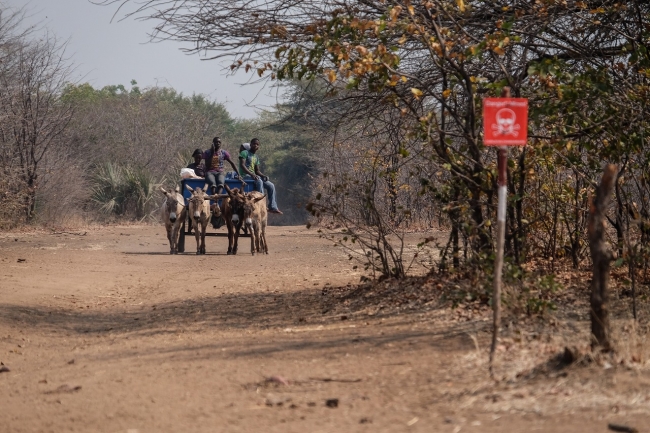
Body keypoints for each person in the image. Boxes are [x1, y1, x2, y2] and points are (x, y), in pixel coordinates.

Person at [239, 138, 282, 214]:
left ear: (258, 146)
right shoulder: (244, 153)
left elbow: (257, 171)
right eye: (254, 144)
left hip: (254, 176)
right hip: (245, 176)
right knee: (259, 181)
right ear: (250, 144)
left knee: (271, 185)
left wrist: (263, 176)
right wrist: (252, 174)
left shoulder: (256, 157)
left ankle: (273, 206)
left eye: (257, 144)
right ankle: (262, 204)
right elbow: (242, 165)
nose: (255, 145)